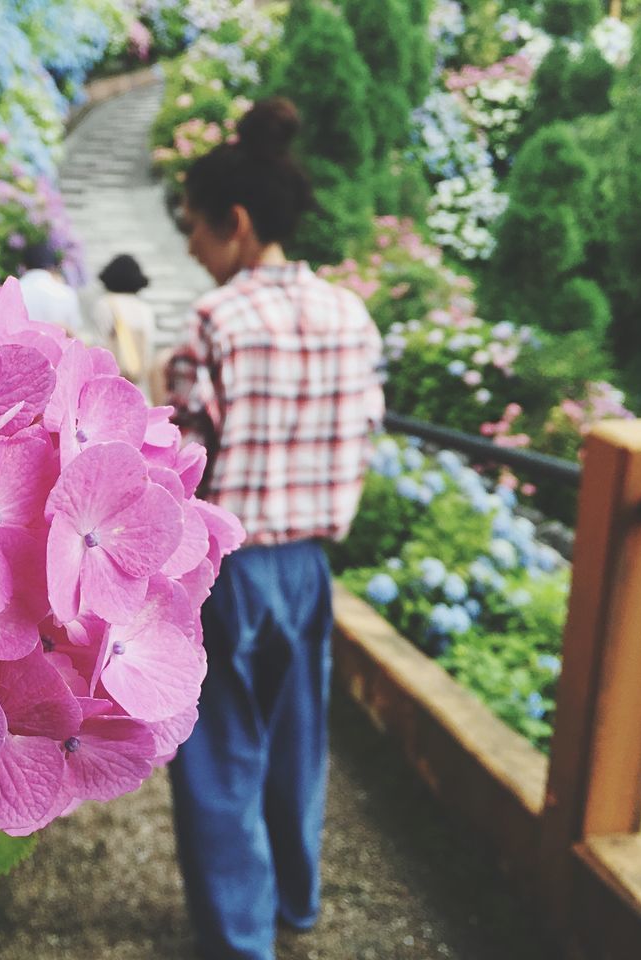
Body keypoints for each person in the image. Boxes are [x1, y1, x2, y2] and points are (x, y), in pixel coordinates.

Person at [165, 96, 384, 960]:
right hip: (309, 570)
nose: (188, 243)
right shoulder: (352, 316)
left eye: (193, 226)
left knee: (219, 754)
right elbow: (365, 430)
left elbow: (184, 458)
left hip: (231, 567)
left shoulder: (216, 320)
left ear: (237, 223)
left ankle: (238, 939)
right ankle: (296, 901)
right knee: (299, 742)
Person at [92, 253, 156, 392]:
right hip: (137, 384)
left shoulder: (105, 304)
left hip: (110, 384)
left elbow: (99, 345)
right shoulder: (145, 309)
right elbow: (148, 350)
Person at [17, 240, 83, 337]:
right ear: (53, 266)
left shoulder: (11, 292)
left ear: (24, 266)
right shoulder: (66, 293)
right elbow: (74, 332)